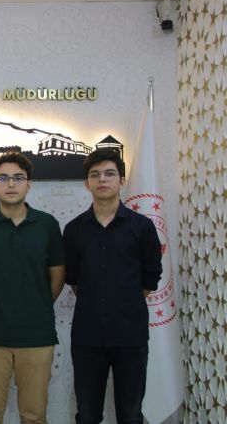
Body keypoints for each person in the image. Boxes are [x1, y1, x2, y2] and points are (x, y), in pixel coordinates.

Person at [63, 148, 162, 424]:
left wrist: (124, 301)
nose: (102, 180)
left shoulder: (142, 227)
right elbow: (74, 280)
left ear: (122, 180)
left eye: (109, 174)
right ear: (87, 184)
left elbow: (150, 278)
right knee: (87, 415)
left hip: (130, 336)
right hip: (87, 337)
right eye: (95, 175)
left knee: (130, 414)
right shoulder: (74, 230)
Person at [0, 151, 65, 424]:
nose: (11, 184)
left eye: (18, 178)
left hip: (37, 336)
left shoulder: (47, 225)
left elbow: (57, 277)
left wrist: (37, 304)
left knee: (34, 416)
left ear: (28, 184)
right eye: (3, 178)